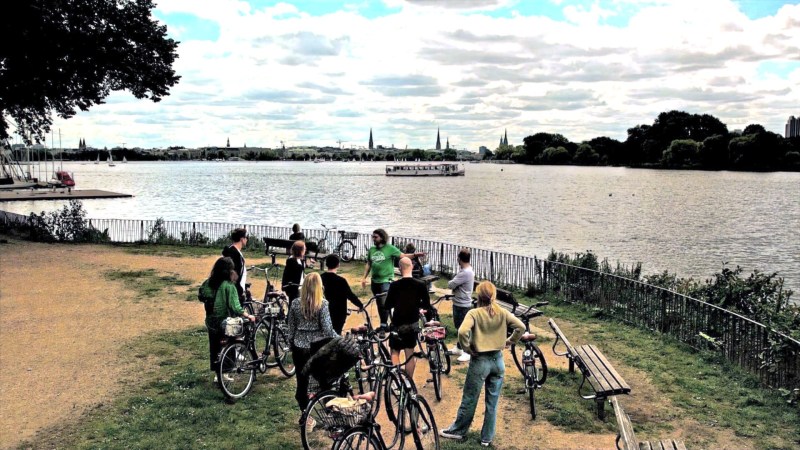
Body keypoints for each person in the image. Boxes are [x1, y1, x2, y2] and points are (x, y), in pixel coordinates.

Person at [439, 281, 525, 447]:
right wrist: (509, 341)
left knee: (470, 398)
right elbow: (520, 327)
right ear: (493, 296)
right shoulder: (502, 312)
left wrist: (467, 348)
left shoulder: (474, 313)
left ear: (478, 296)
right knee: (492, 402)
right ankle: (487, 438)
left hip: (481, 361)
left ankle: (458, 431)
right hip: (498, 361)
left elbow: (463, 331)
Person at [287, 273, 338, 420]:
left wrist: (291, 343)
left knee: (302, 382)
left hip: (299, 346)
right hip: (317, 347)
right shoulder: (322, 304)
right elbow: (328, 330)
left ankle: (305, 414)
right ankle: (329, 413)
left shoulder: (296, 303)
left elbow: (291, 327)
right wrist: (339, 339)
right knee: (325, 381)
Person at [205, 257, 257, 381]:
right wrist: (248, 315)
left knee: (214, 347)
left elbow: (202, 295)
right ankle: (225, 373)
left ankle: (217, 373)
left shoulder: (209, 283)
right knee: (230, 343)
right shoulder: (229, 285)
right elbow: (236, 307)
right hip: (224, 321)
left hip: (211, 320)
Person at [361, 229, 424, 329]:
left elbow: (403, 256)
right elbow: (369, 263)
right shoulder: (372, 250)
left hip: (386, 281)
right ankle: (387, 322)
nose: (373, 239)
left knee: (383, 303)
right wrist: (364, 277)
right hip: (375, 281)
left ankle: (383, 325)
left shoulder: (390, 248)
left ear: (382, 237)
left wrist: (415, 255)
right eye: (373, 237)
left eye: (375, 237)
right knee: (379, 303)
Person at [385, 257, 432, 379]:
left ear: (400, 269)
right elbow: (427, 304)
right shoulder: (421, 285)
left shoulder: (394, 285)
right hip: (412, 322)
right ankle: (408, 383)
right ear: (412, 266)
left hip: (397, 322)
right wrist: (418, 306)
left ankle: (396, 381)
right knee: (409, 354)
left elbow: (387, 305)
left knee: (395, 352)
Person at [320, 254, 364, 334]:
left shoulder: (320, 278)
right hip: (338, 313)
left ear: (326, 264)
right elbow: (350, 295)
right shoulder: (341, 281)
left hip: (323, 311)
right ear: (338, 265)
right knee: (336, 333)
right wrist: (360, 305)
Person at [448, 248, 475, 363]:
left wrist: (453, 284)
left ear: (460, 259)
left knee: (463, 329)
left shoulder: (465, 273)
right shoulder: (466, 270)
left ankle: (467, 352)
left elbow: (451, 284)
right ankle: (459, 347)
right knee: (459, 327)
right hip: (459, 302)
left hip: (463, 304)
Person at [221, 228, 248, 301]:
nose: (247, 239)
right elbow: (236, 273)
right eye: (246, 237)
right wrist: (239, 289)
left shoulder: (230, 249)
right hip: (235, 290)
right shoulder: (235, 254)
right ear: (242, 239)